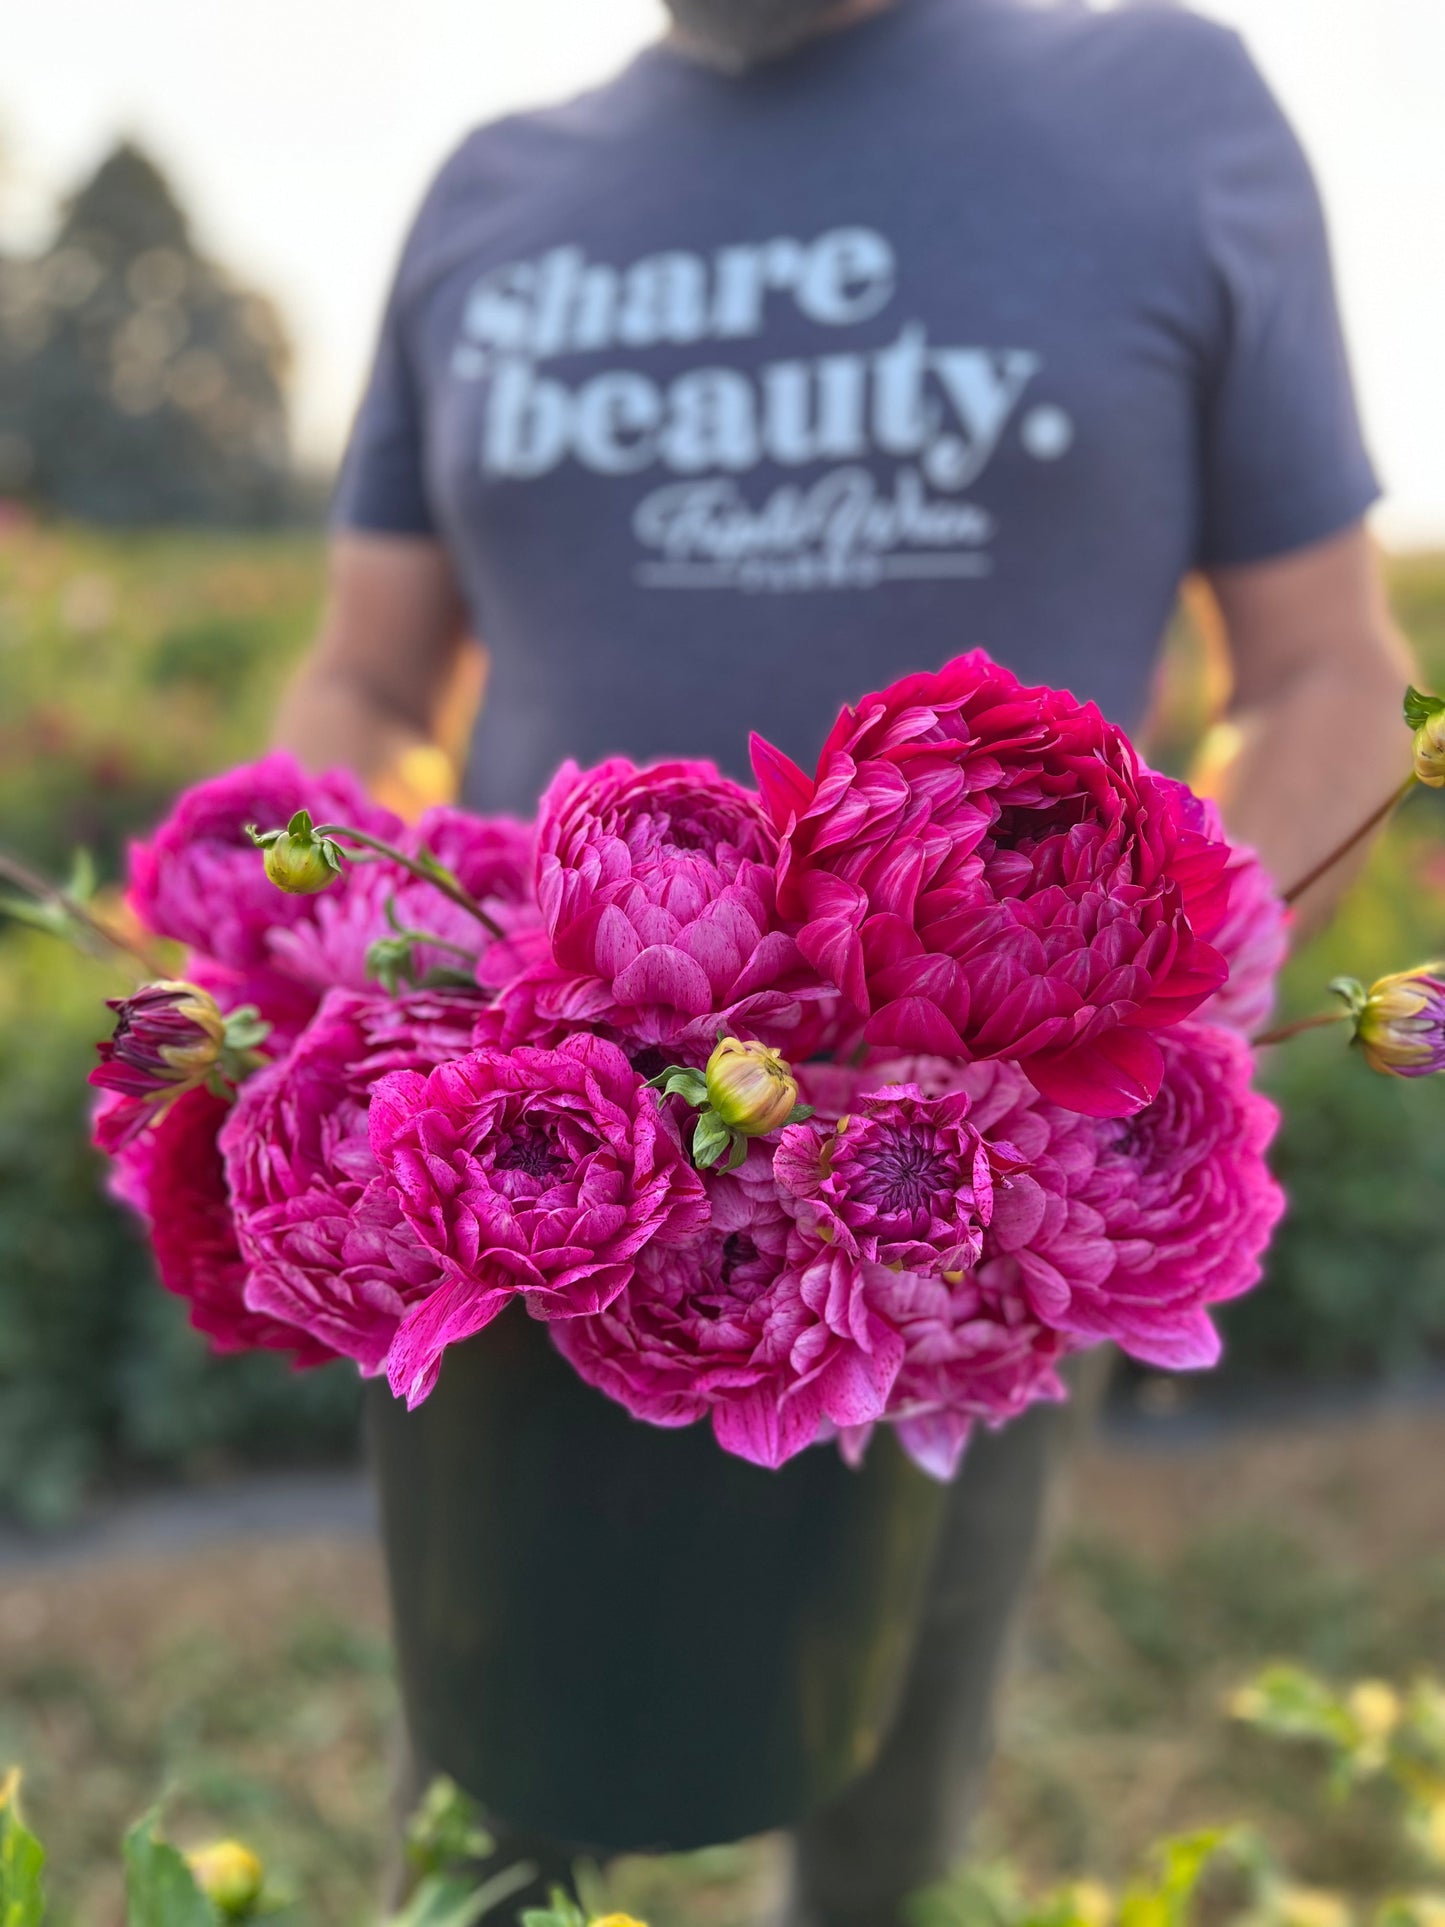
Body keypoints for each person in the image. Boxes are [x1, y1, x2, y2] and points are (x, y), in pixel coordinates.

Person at [276, 1, 1412, 1920]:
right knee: (482, 1827)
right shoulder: (492, 194)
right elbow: (371, 674)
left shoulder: (1162, 108)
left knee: (880, 1816)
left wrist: (1141, 1063)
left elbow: (1323, 671)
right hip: (528, 1191)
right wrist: (303, 1015)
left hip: (964, 1226)